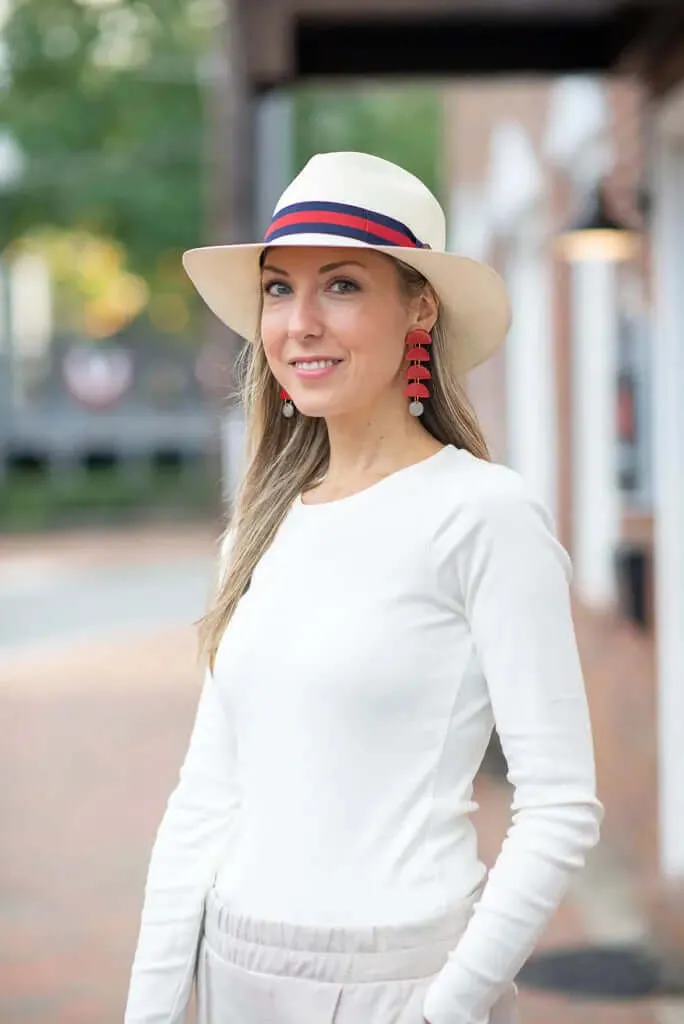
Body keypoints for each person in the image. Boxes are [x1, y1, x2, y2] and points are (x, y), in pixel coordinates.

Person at [124, 151, 603, 1024]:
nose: (299, 323)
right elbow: (205, 797)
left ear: (419, 306)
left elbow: (560, 804)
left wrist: (444, 1008)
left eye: (340, 285)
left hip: (402, 980)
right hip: (237, 972)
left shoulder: (481, 514)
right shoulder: (259, 527)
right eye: (279, 289)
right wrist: (150, 1011)